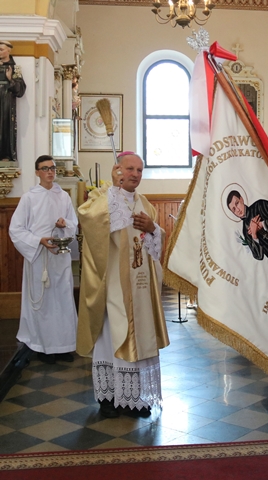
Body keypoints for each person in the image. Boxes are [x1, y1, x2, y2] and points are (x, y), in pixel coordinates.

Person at [77, 152, 169, 418]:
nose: (135, 174)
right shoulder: (103, 197)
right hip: (113, 284)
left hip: (140, 285)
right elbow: (89, 219)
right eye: (130, 169)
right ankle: (109, 397)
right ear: (118, 169)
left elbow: (156, 242)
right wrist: (112, 196)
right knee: (112, 335)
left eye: (139, 170)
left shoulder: (145, 203)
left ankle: (134, 398)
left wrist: (152, 228)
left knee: (140, 335)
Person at [9, 155, 78, 364]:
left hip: (59, 256)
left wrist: (64, 224)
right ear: (37, 172)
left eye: (53, 168)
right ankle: (42, 346)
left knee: (63, 299)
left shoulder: (63, 196)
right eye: (45, 168)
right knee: (43, 301)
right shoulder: (29, 198)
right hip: (39, 256)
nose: (50, 172)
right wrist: (38, 240)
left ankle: (64, 346)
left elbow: (73, 223)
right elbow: (16, 229)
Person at [0, 40, 26, 162]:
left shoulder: (14, 68)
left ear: (8, 51)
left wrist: (10, 79)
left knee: (5, 126)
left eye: (1, 49)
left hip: (6, 101)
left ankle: (5, 155)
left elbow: (20, 91)